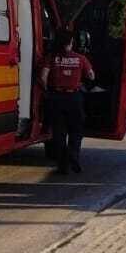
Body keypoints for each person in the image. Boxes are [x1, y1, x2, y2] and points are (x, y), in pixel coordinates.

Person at [40, 31, 95, 175]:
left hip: (56, 97)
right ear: (71, 42)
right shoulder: (81, 58)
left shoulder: (51, 58)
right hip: (74, 98)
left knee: (59, 133)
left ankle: (63, 165)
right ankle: (73, 155)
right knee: (76, 130)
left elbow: (43, 77)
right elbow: (91, 75)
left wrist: (47, 91)